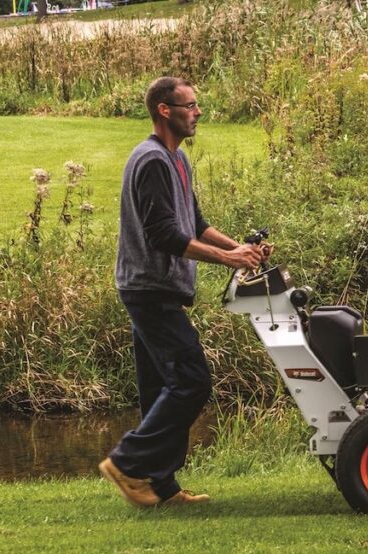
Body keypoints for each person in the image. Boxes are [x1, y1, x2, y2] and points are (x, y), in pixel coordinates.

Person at [99, 76, 266, 508]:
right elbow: (164, 235)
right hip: (148, 288)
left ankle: (160, 487)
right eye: (190, 106)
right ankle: (126, 461)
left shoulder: (177, 160)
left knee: (160, 389)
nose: (198, 112)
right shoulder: (151, 160)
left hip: (158, 287)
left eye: (197, 105)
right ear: (164, 111)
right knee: (191, 381)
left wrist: (239, 248)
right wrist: (228, 261)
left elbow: (194, 223)